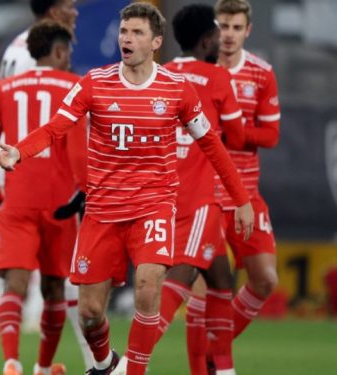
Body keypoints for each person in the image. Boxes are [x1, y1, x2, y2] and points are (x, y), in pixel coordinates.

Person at [0, 3, 255, 375]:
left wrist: (241, 200)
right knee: (89, 312)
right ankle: (104, 364)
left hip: (154, 205)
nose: (126, 39)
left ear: (156, 42)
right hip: (103, 211)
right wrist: (19, 151)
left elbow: (212, 144)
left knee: (149, 286)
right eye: (123, 32)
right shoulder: (95, 83)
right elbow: (55, 127)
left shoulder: (176, 89)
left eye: (136, 33)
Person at [0, 2, 92, 374]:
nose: (75, 11)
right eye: (69, 4)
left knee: (5, 270)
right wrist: (84, 188)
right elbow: (64, 140)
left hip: (12, 179)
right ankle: (64, 363)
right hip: (40, 181)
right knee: (51, 277)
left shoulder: (13, 57)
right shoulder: (58, 74)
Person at [147, 5, 245, 375]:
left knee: (221, 279)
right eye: (218, 32)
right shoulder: (217, 77)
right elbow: (235, 136)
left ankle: (222, 367)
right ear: (207, 39)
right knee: (182, 277)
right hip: (198, 194)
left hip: (162, 191)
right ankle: (130, 362)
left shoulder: (164, 73)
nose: (222, 39)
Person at [214, 0, 281, 341]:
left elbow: (271, 134)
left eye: (236, 27)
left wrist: (234, 133)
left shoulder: (261, 72)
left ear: (248, 30)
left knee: (266, 278)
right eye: (223, 26)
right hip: (205, 197)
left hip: (245, 195)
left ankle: (218, 345)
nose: (228, 35)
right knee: (209, 289)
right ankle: (208, 361)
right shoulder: (199, 70)